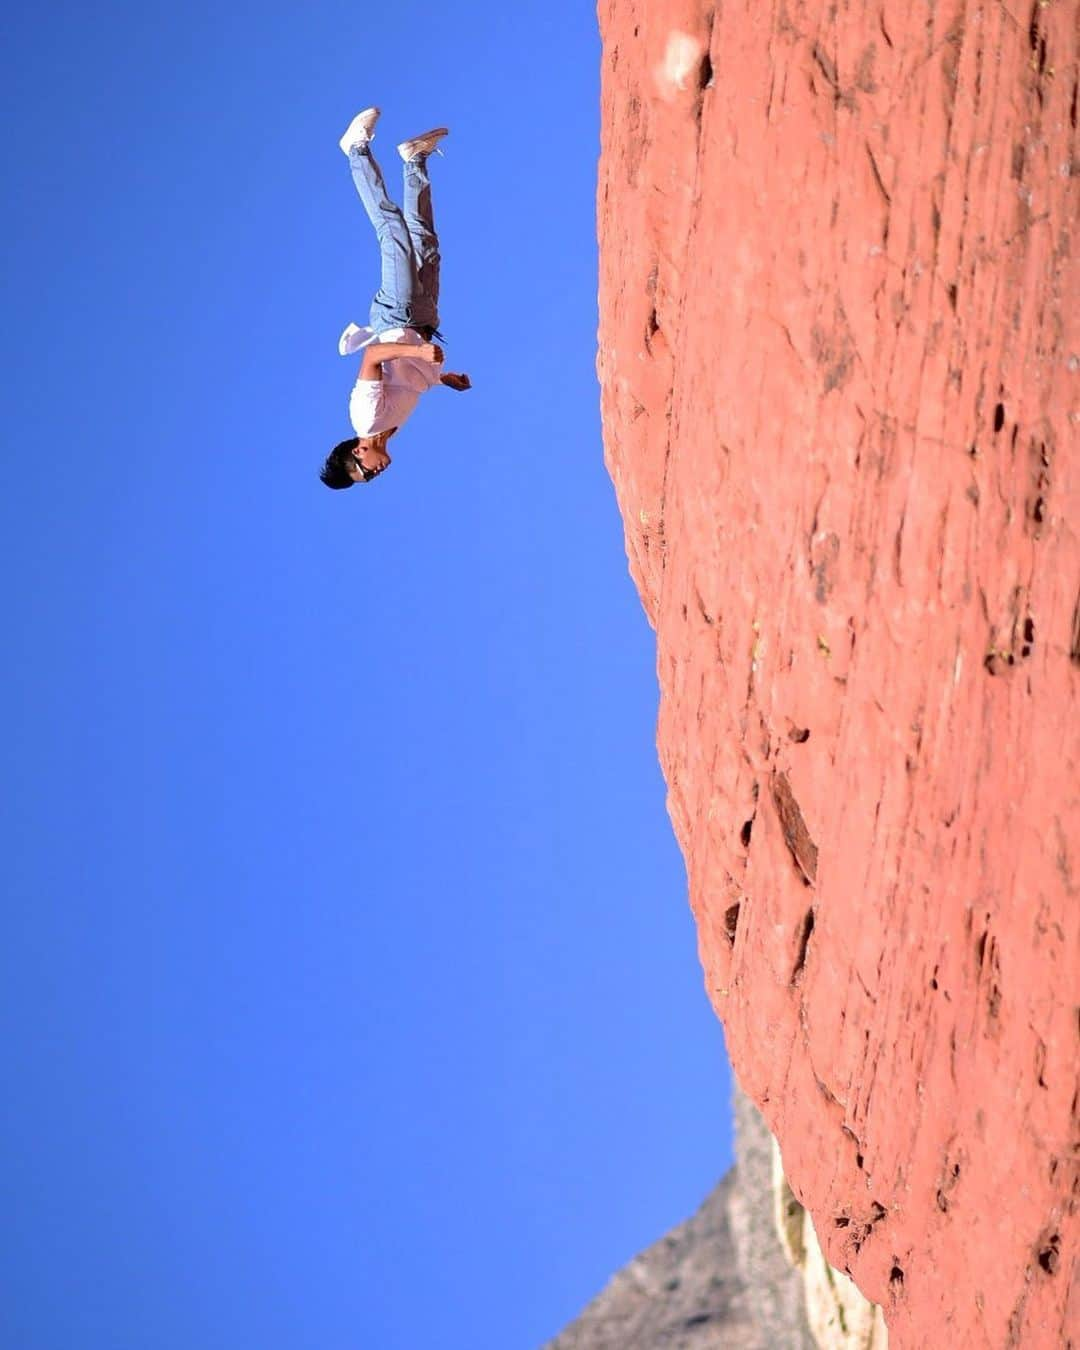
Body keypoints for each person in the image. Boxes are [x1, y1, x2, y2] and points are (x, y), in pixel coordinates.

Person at [320, 107, 471, 490]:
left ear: (358, 452)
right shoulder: (389, 430)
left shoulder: (366, 419)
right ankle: (414, 158)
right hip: (421, 322)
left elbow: (372, 357)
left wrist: (420, 355)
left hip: (397, 317)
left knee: (393, 233)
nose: (374, 473)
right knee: (425, 243)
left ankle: (355, 150)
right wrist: (444, 379)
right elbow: (407, 380)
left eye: (365, 472)